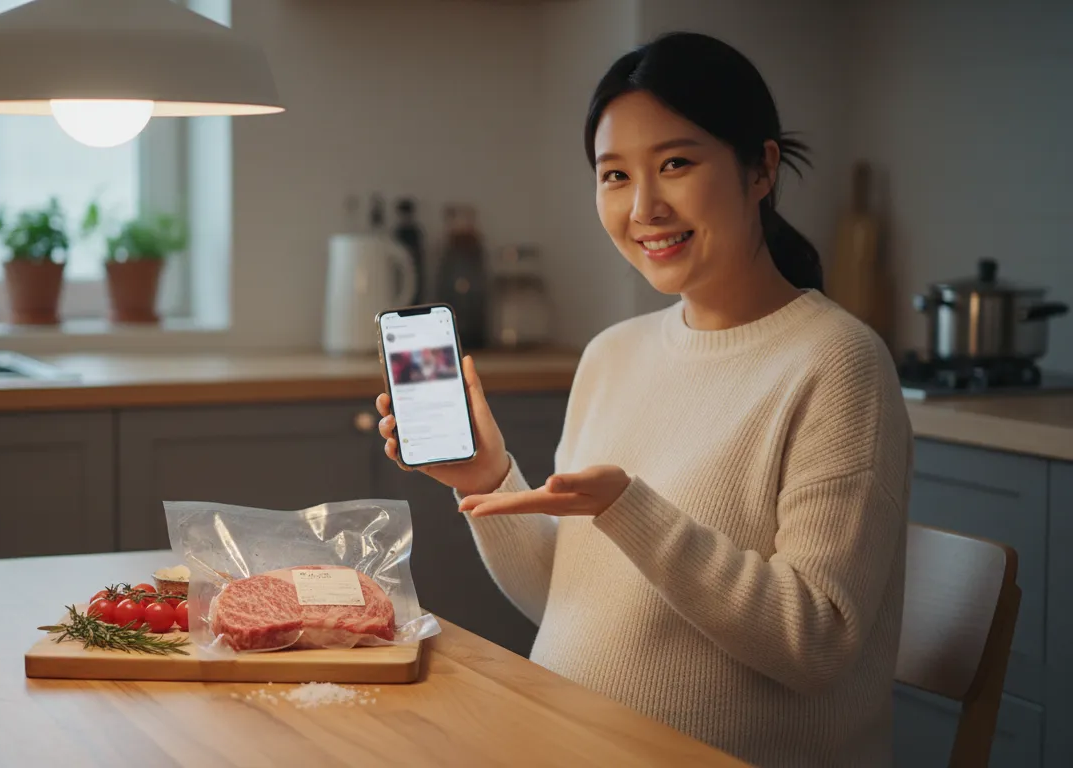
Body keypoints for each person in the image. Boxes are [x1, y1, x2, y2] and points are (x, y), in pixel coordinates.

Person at [374, 31, 912, 768]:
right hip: (570, 745)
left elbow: (814, 641)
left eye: (677, 164)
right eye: (615, 176)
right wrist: (487, 480)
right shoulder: (612, 354)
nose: (645, 207)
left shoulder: (838, 363)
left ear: (761, 168)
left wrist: (631, 509)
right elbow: (568, 605)